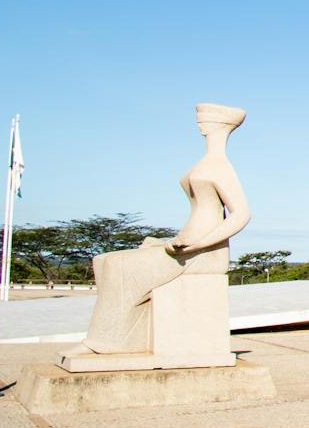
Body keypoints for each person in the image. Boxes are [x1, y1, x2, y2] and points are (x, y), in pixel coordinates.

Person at [79, 103, 250, 355]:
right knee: (103, 260)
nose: (200, 124)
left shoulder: (220, 165)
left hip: (202, 251)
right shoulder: (206, 163)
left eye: (206, 120)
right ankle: (124, 339)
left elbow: (242, 214)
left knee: (118, 267)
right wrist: (169, 241)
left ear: (221, 125)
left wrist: (199, 244)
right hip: (187, 242)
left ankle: (104, 342)